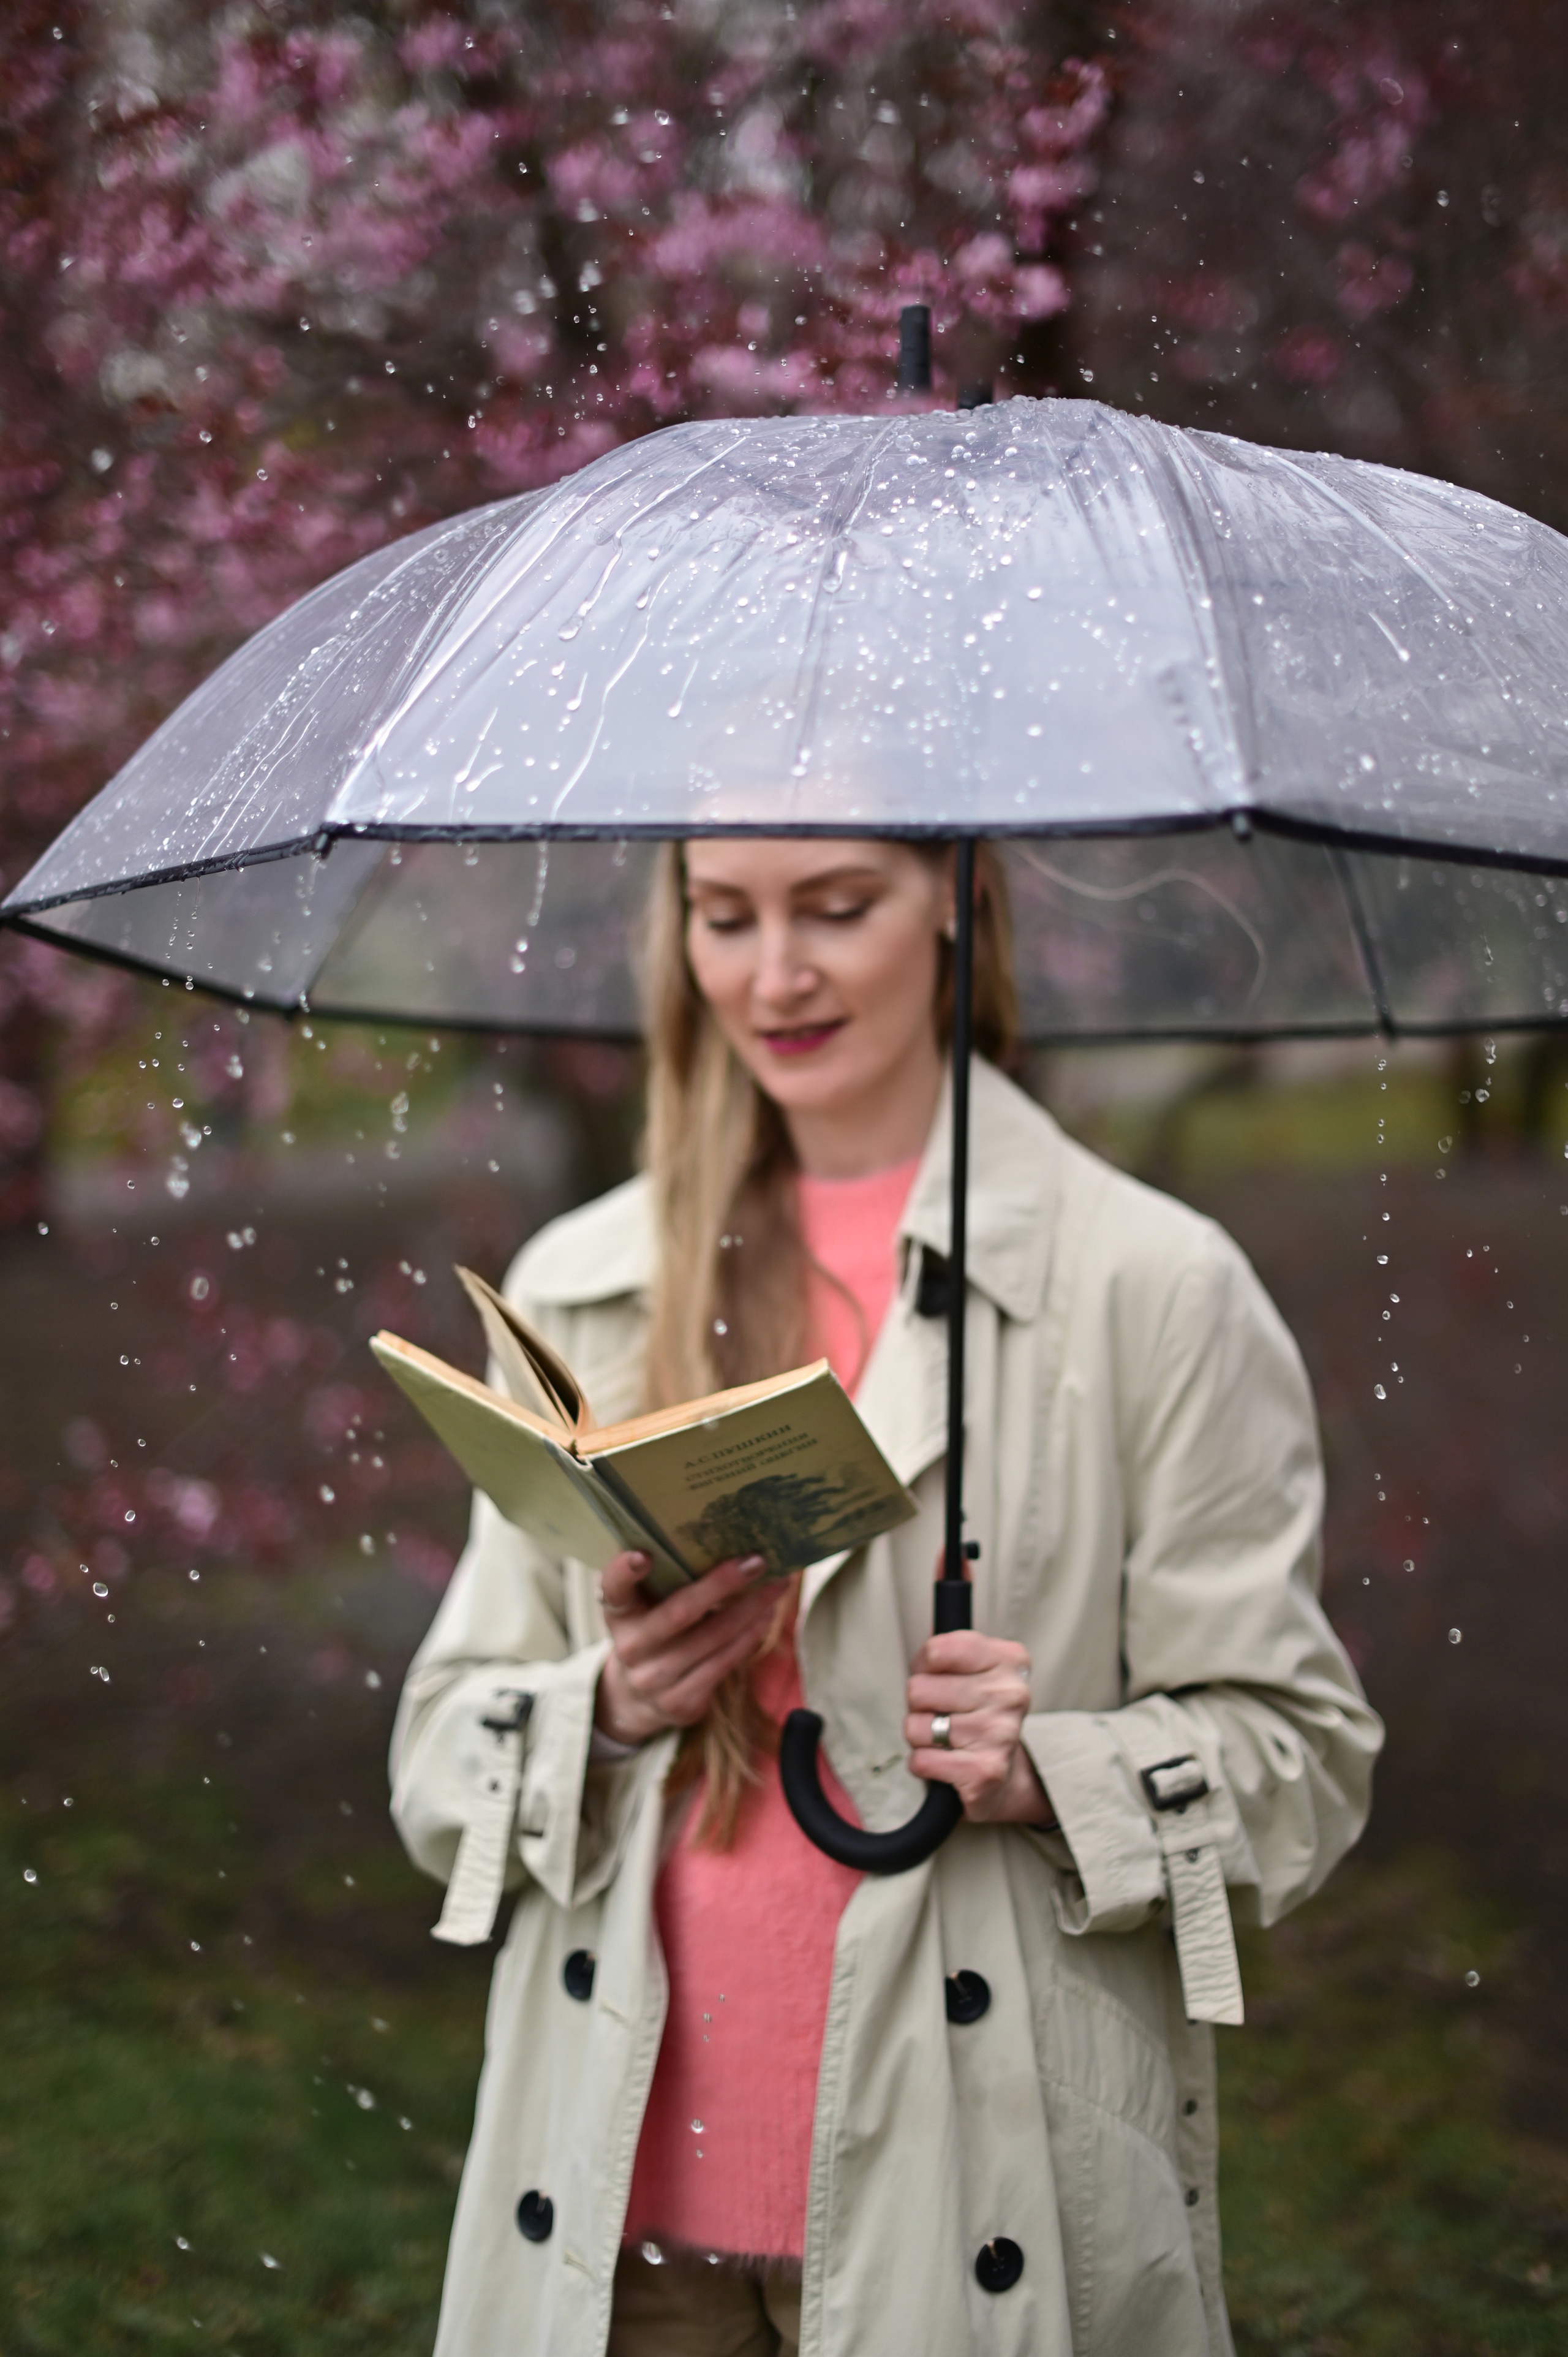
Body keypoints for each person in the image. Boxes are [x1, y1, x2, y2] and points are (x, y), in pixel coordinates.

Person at [390, 836, 1382, 2357]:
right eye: (723, 918)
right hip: (609, 2237)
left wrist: (1052, 1767)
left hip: (974, 2219)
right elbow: (439, 1757)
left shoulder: (1150, 1289)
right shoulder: (586, 1282)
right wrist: (604, 1709)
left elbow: (1297, 1757)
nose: (773, 975)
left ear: (950, 898)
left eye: (834, 908)